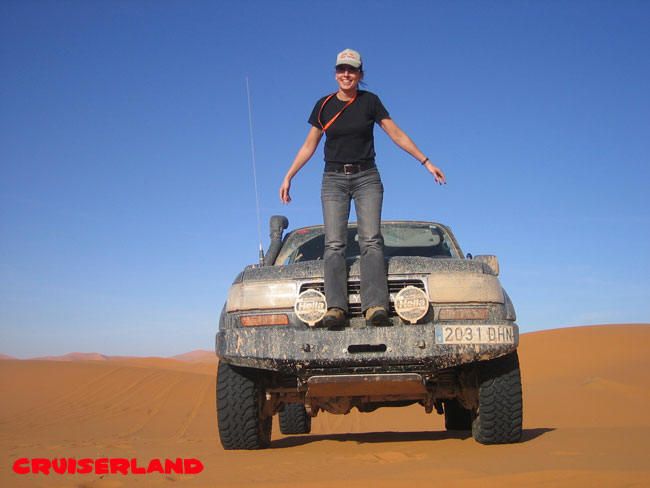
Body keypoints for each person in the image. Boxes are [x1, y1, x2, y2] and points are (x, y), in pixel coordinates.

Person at [279, 48, 446, 328]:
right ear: (336, 73)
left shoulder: (370, 101)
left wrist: (426, 162)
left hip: (367, 178)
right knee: (334, 244)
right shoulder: (323, 105)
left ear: (360, 74)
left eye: (352, 70)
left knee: (371, 241)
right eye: (341, 69)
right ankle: (335, 308)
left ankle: (375, 307)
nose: (346, 74)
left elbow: (396, 133)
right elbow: (309, 145)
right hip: (333, 180)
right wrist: (289, 175)